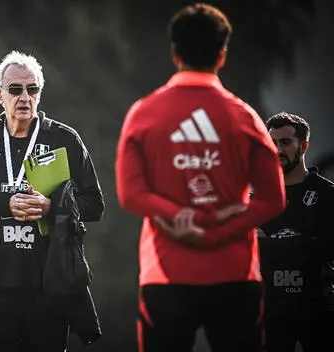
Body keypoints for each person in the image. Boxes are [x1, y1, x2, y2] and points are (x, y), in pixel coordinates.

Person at [115, 3, 286, 352]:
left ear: (175, 52)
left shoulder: (144, 114)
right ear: (222, 55)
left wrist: (183, 216)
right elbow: (274, 199)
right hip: (234, 274)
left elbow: (130, 194)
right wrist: (218, 228)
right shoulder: (244, 117)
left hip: (166, 274)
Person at [0, 50, 104, 352]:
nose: (24, 97)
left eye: (32, 89)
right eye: (15, 89)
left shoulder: (64, 139)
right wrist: (5, 204)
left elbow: (94, 204)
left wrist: (52, 207)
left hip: (48, 286)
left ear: (40, 94)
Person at [257, 112, 334, 352]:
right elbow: (245, 252)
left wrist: (270, 244)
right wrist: (305, 241)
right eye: (273, 143)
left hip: (319, 309)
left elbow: (328, 248)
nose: (278, 149)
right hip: (271, 312)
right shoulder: (257, 199)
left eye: (286, 142)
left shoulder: (327, 195)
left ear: (304, 145)